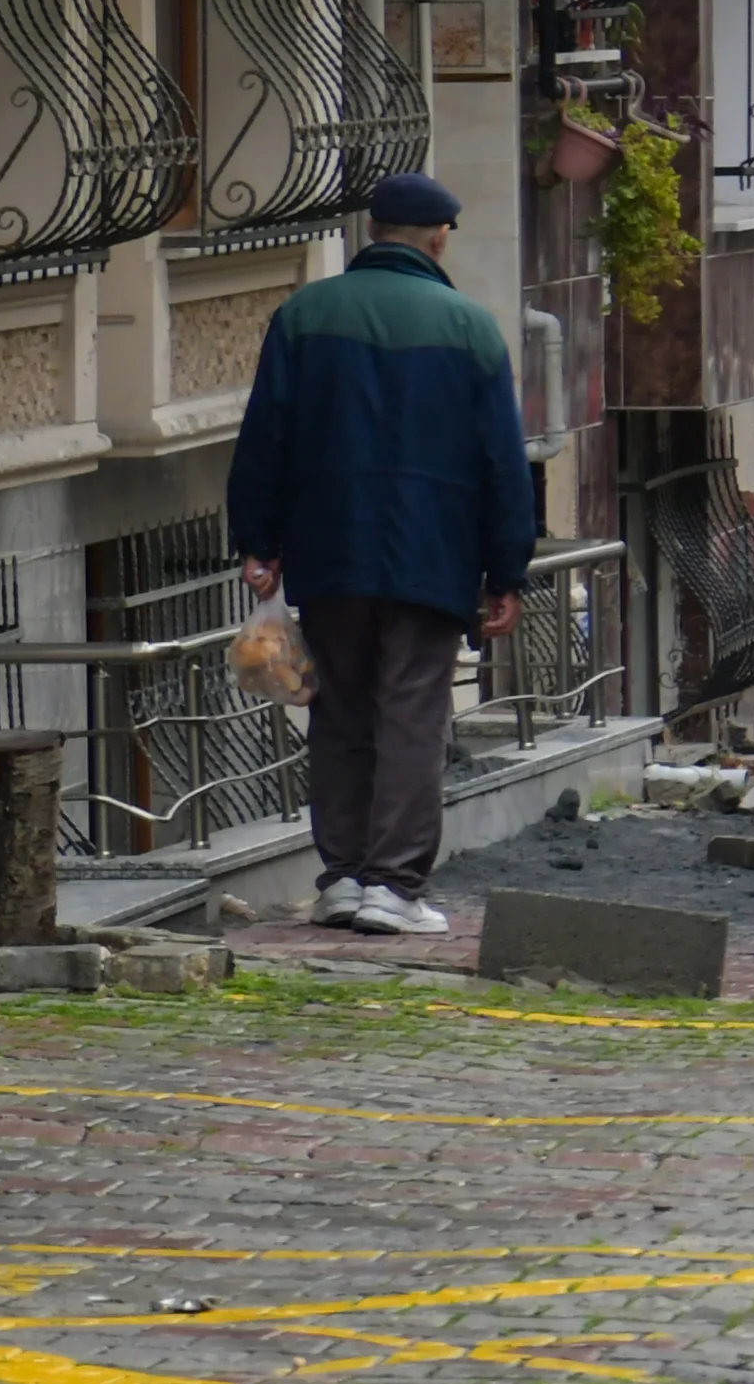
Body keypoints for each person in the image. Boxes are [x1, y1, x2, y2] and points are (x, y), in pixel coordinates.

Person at [222, 173, 538, 938]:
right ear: (437, 237)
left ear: (373, 230)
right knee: (412, 716)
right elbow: (503, 460)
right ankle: (394, 886)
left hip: (331, 555)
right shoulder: (470, 328)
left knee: (339, 715)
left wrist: (258, 543)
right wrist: (507, 570)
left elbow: (265, 438)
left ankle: (341, 877)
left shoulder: (303, 316)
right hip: (433, 559)